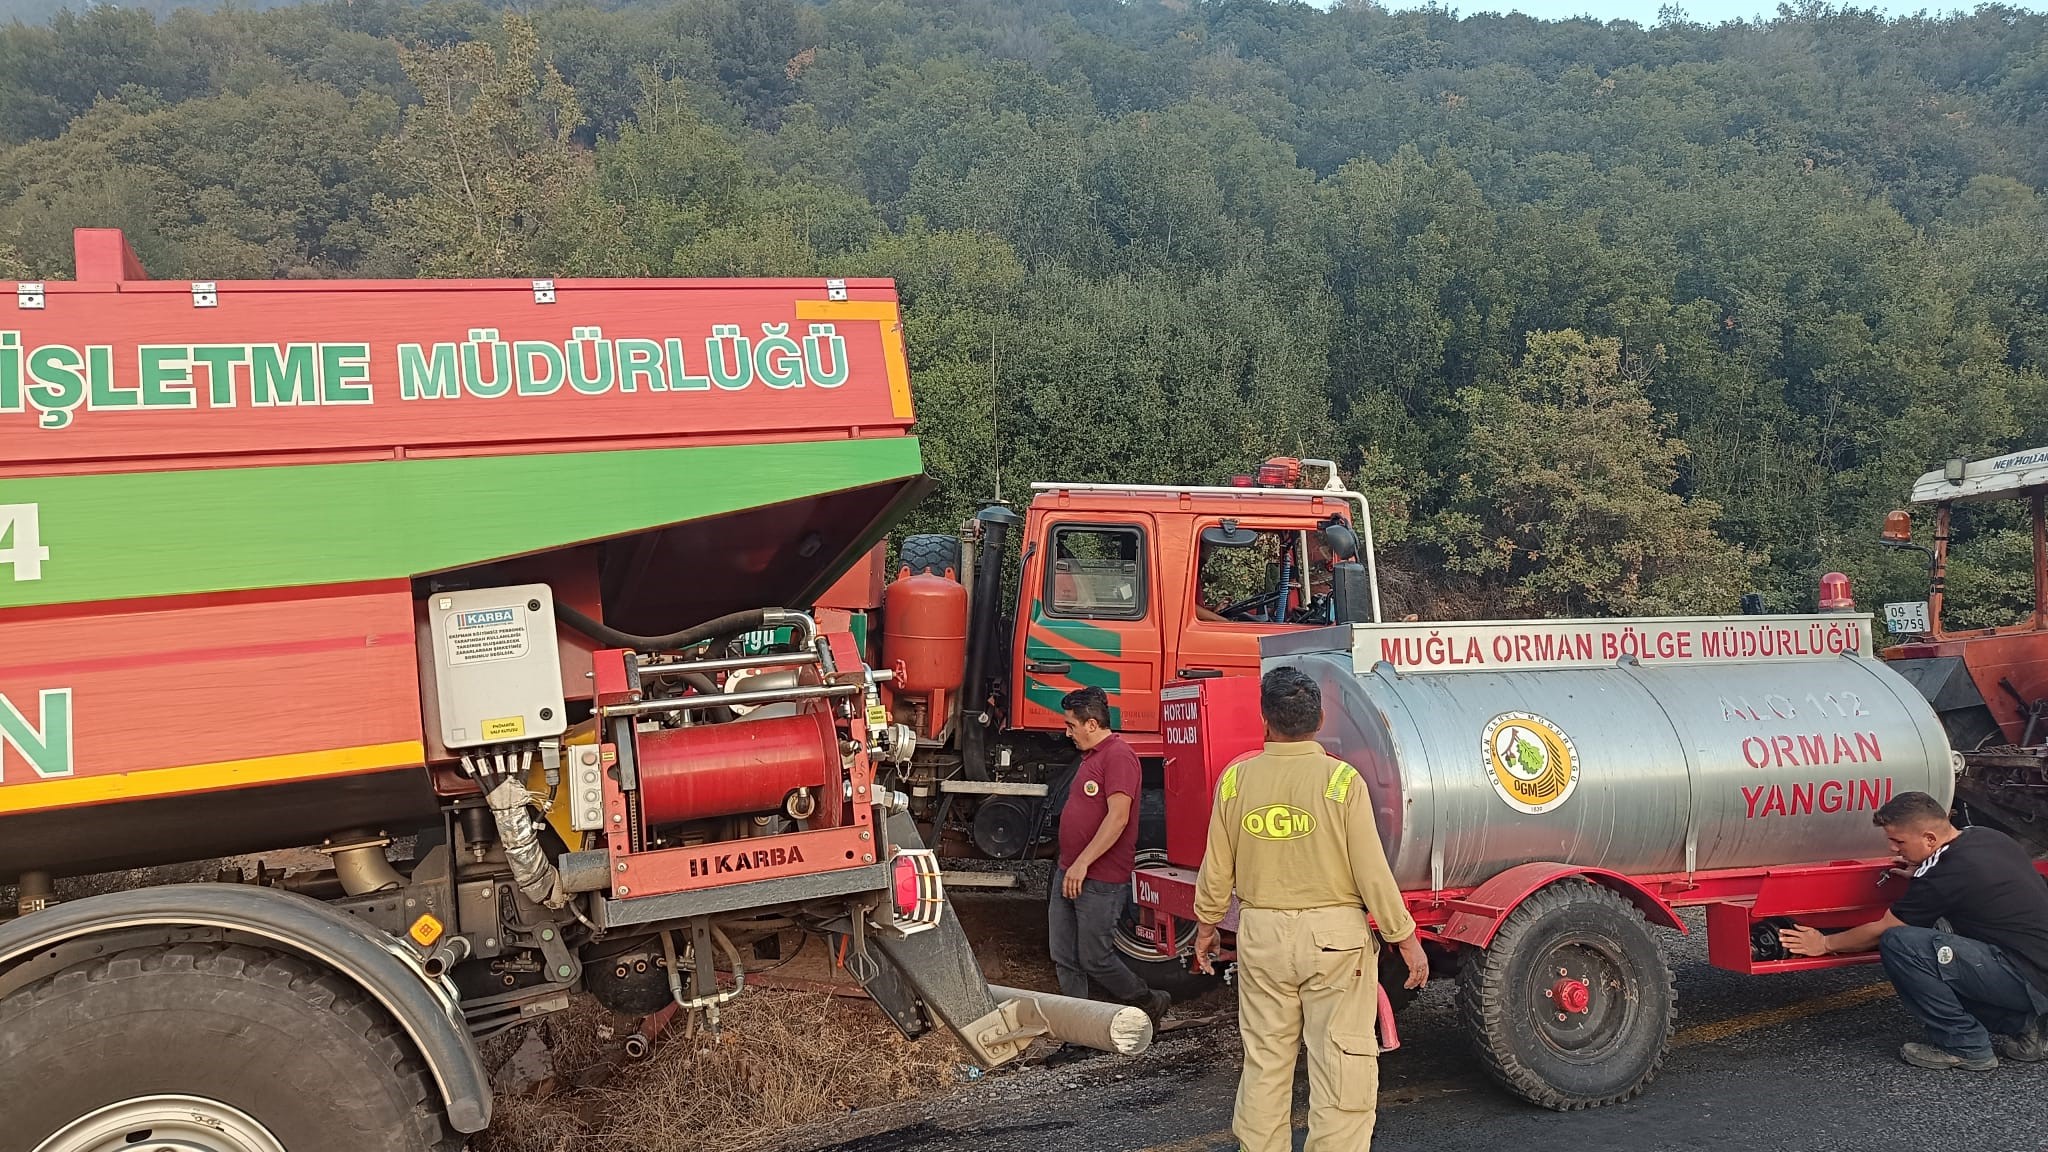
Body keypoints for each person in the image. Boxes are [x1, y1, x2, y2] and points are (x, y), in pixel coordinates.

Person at [1191, 666, 1428, 1152]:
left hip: (1261, 936)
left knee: (1265, 1061)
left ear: (1264, 720)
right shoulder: (1342, 782)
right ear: (1320, 719)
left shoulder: (1235, 782)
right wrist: (1406, 940)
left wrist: (1206, 927)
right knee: (1342, 1060)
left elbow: (1216, 868)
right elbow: (1372, 873)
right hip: (1334, 939)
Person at [1778, 791, 2048, 1070]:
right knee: (1941, 938)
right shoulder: (1986, 837)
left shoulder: (1947, 874)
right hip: (2038, 970)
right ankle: (2030, 1026)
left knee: (1900, 944)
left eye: (1899, 841)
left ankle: (1964, 1046)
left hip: (2025, 977)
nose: (1893, 849)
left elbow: (1882, 930)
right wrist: (1924, 873)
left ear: (1929, 839)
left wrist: (1824, 943)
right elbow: (1969, 883)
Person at [1047, 685, 1172, 1027]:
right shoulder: (1091, 757)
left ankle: (1148, 999)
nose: (1067, 731)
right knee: (1064, 956)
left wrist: (1083, 863)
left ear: (1090, 724)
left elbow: (1118, 818)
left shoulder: (1118, 756)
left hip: (1098, 879)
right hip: (1070, 871)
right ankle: (1078, 1030)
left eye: (1071, 724)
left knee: (1095, 958)